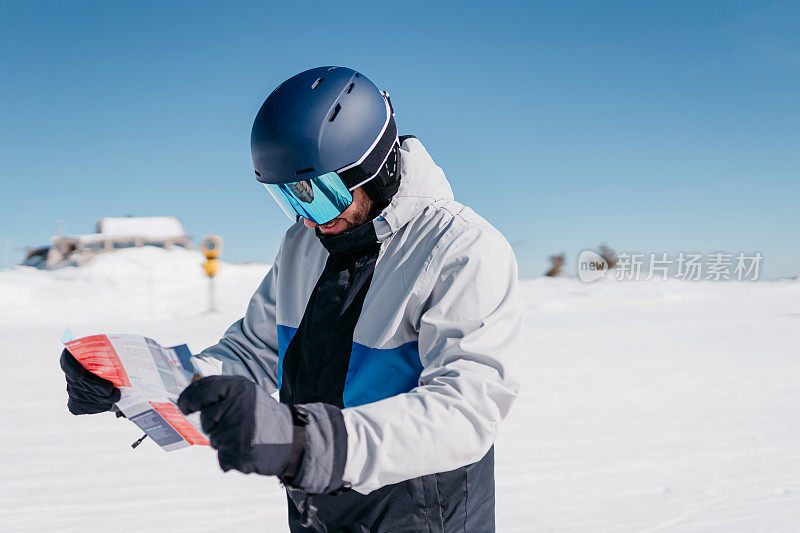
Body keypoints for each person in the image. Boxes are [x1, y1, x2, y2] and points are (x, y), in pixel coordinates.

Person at [60, 66, 523, 532]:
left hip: (418, 515)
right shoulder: (305, 246)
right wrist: (142, 382)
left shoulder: (462, 249)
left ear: (374, 167)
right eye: (289, 199)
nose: (307, 221)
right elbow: (253, 353)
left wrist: (305, 442)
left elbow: (467, 411)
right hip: (316, 507)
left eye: (316, 195)